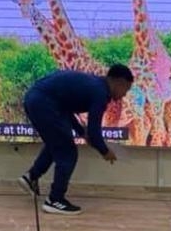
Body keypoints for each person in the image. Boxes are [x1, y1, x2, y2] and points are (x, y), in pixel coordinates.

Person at [18, 64, 134, 215]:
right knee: (67, 152)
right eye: (126, 90)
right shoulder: (100, 93)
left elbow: (66, 108)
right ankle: (55, 200)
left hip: (36, 99)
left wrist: (81, 132)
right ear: (119, 82)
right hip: (43, 103)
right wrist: (105, 151)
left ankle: (31, 177)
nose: (124, 95)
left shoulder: (95, 85)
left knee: (57, 143)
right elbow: (94, 132)